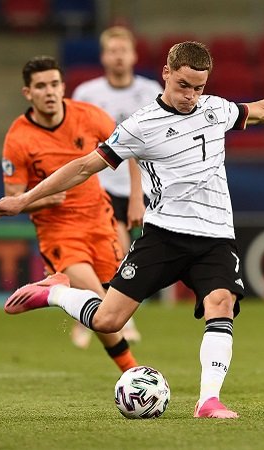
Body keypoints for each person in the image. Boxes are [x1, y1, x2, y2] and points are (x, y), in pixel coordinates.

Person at [0, 41, 264, 418]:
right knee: (108, 320)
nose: (191, 96)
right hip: (165, 236)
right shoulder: (140, 126)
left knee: (223, 304)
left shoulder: (216, 109)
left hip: (216, 237)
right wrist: (23, 200)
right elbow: (84, 167)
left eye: (198, 87)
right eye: (184, 85)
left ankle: (208, 400)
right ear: (167, 74)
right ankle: (56, 293)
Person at [0, 55, 141, 373]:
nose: (48, 92)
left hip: (99, 221)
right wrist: (44, 200)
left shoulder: (89, 117)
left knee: (112, 310)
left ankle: (61, 294)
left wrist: (136, 199)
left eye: (54, 84)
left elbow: (129, 148)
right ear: (28, 93)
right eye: (40, 86)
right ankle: (133, 373)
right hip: (60, 232)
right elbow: (15, 199)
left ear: (63, 86)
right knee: (99, 303)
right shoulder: (18, 138)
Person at [69, 26, 163, 349]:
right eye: (112, 51)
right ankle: (118, 317)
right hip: (102, 184)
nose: (119, 56)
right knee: (114, 247)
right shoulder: (86, 93)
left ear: (134, 55)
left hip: (143, 184)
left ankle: (92, 316)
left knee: (120, 252)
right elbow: (77, 141)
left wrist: (139, 193)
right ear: (103, 56)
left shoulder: (151, 91)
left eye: (124, 50)